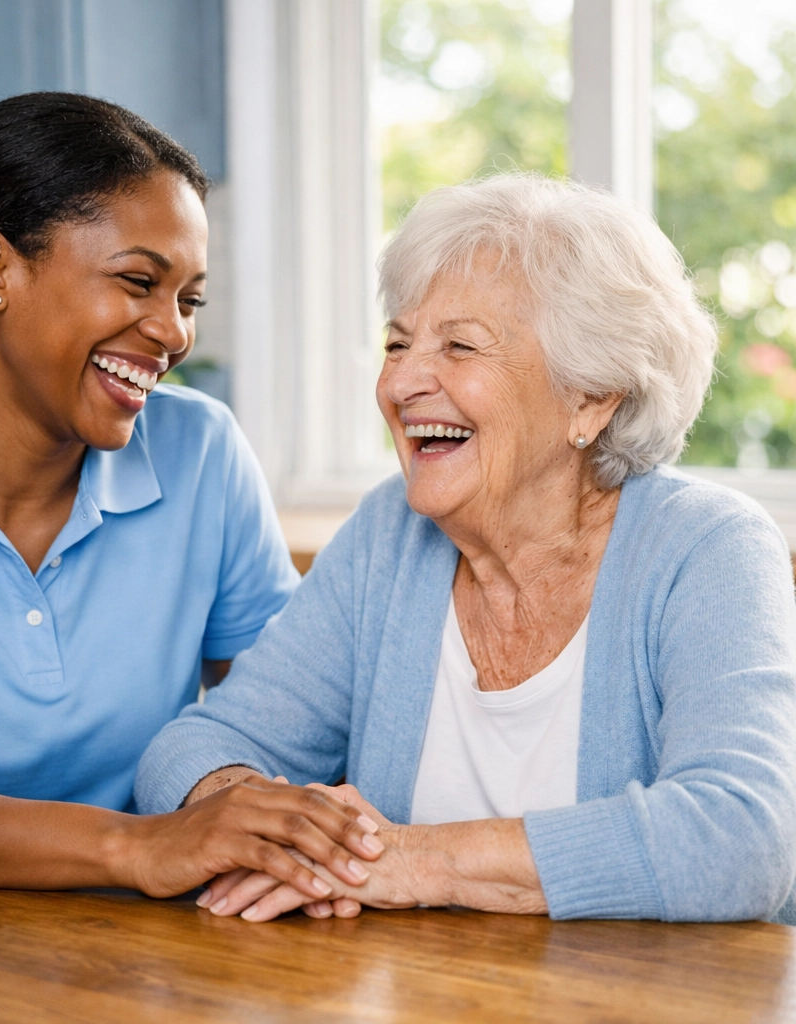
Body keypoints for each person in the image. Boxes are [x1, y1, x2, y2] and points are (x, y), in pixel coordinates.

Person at [136, 173, 796, 924]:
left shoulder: (707, 548)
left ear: (591, 396)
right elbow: (194, 748)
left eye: (459, 346)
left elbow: (742, 838)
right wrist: (281, 831)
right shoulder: (388, 535)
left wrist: (410, 859)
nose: (401, 382)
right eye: (397, 342)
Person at [0, 93, 382, 900]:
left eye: (189, 299)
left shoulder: (201, 452)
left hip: (157, 932)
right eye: (138, 281)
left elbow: (290, 726)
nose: (175, 333)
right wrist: (138, 847)